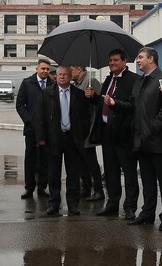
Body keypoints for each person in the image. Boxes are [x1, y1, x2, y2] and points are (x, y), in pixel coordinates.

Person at [112, 47, 162, 231]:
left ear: (151, 59)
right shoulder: (139, 81)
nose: (137, 60)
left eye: (140, 57)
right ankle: (147, 213)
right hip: (140, 139)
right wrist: (114, 103)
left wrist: (152, 128)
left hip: (157, 140)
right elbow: (133, 106)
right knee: (147, 180)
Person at [85, 49, 140, 219]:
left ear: (124, 61)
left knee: (129, 173)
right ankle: (112, 203)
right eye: (110, 60)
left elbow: (132, 106)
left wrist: (115, 103)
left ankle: (130, 207)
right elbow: (103, 102)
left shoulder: (134, 80)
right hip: (107, 133)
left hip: (124, 135)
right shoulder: (109, 79)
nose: (112, 63)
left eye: (116, 60)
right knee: (111, 172)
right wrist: (93, 97)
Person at [34, 65, 90, 215]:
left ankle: (73, 204)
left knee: (73, 173)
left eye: (65, 75)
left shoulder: (78, 94)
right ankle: (53, 203)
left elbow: (86, 118)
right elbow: (40, 117)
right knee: (53, 173)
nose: (62, 77)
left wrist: (81, 135)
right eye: (59, 74)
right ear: (55, 76)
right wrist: (41, 138)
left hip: (72, 138)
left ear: (71, 77)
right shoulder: (47, 94)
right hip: (53, 138)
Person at [16, 59, 52, 199]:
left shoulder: (52, 84)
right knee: (30, 159)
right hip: (31, 129)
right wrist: (29, 119)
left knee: (44, 159)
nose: (45, 71)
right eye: (43, 68)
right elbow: (20, 105)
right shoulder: (27, 83)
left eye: (47, 69)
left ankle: (42, 187)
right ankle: (29, 188)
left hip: (47, 129)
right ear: (37, 68)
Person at [70, 65, 104, 201]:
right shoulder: (76, 83)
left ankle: (98, 190)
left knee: (91, 161)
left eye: (71, 70)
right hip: (78, 128)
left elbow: (101, 102)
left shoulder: (91, 81)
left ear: (79, 69)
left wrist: (92, 96)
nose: (69, 73)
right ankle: (86, 188)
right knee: (81, 160)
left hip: (89, 127)